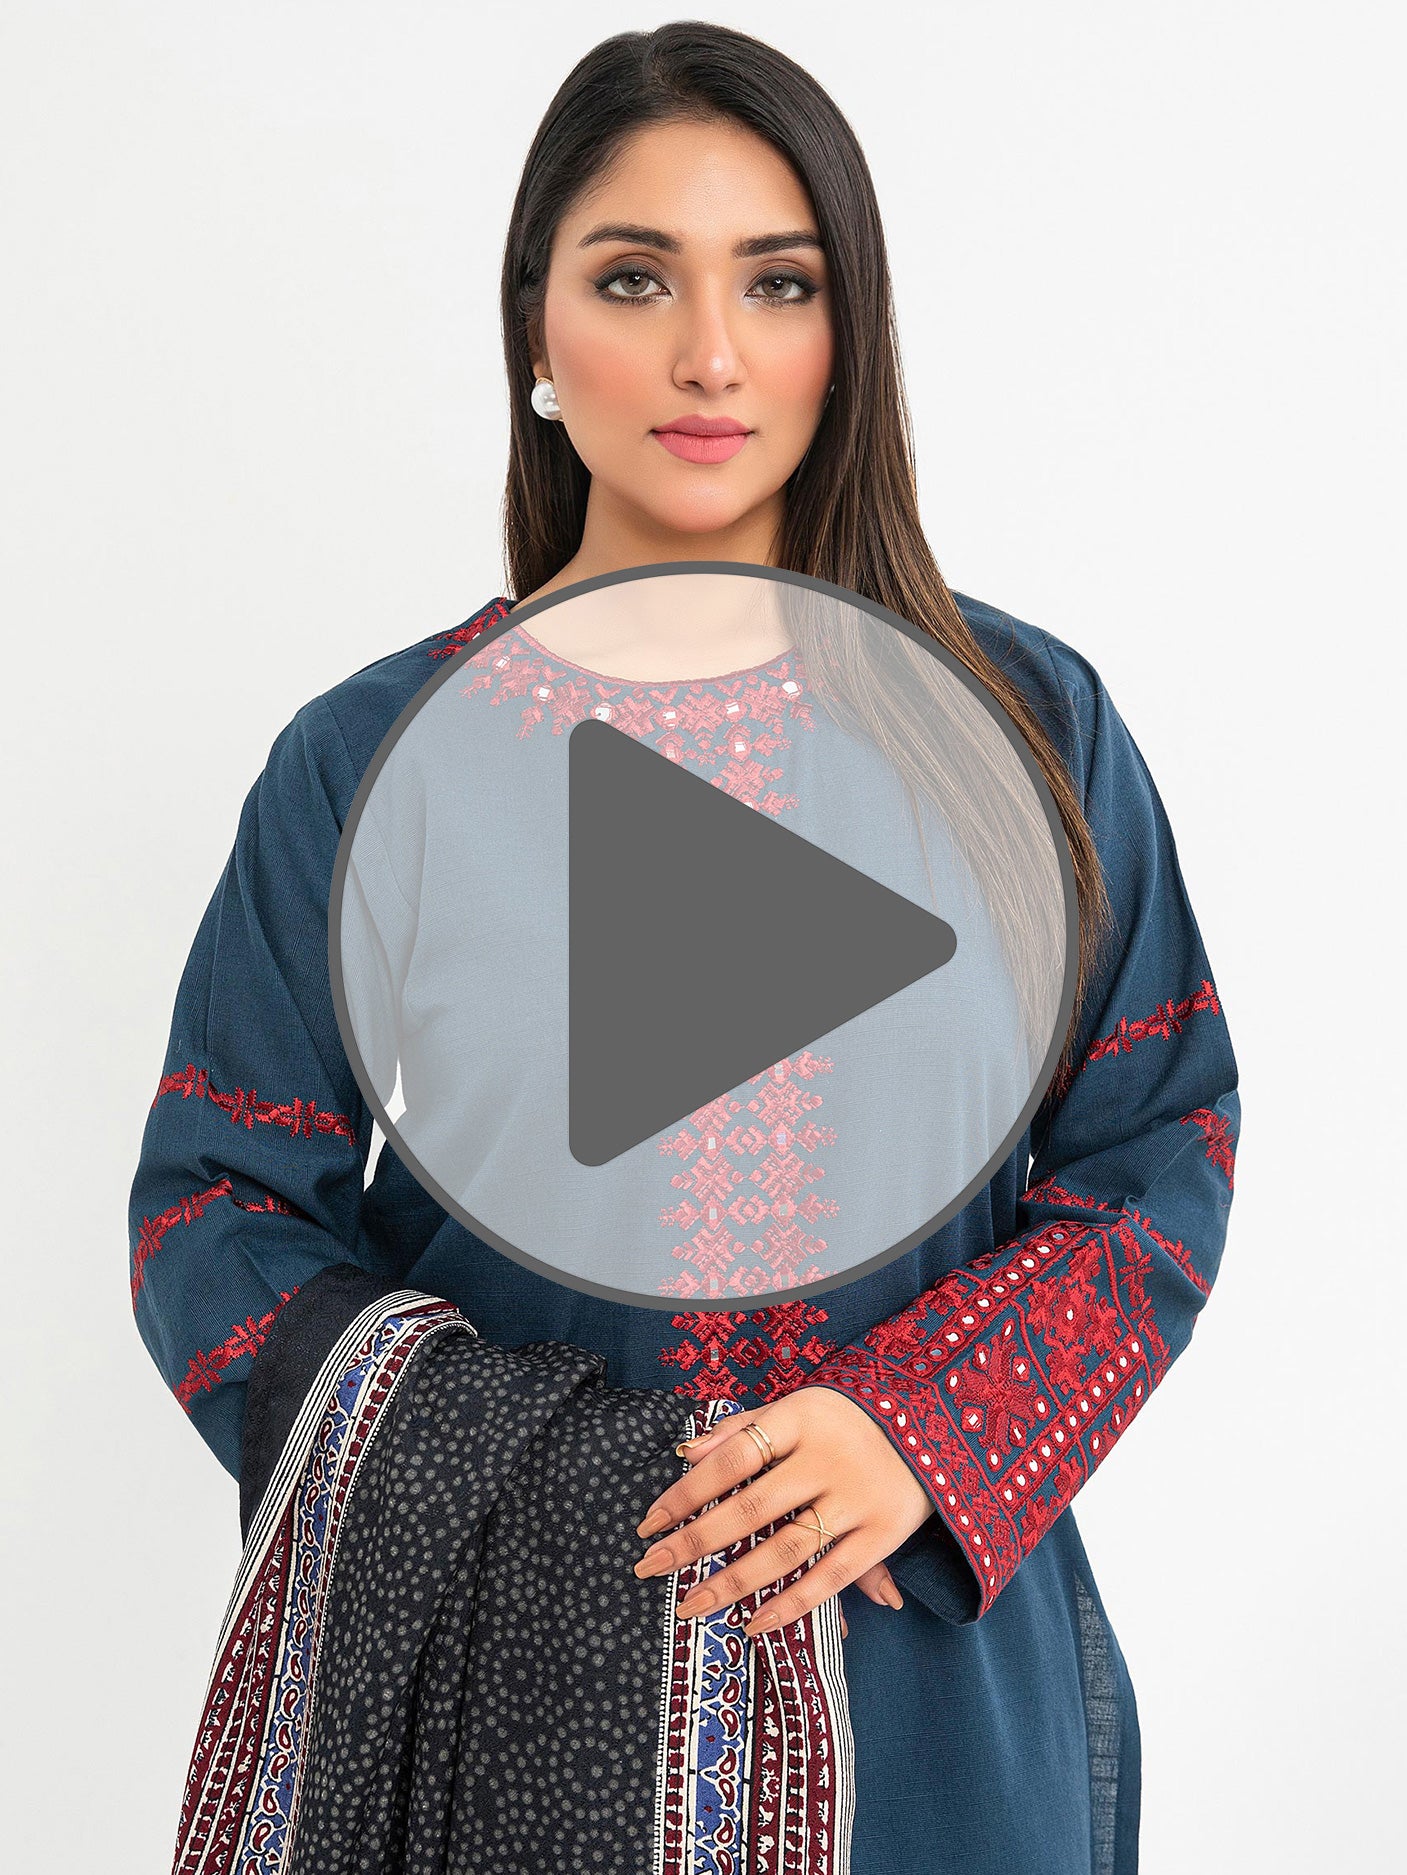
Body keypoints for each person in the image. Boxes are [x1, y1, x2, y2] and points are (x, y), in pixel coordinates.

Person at [128, 23, 1241, 1875]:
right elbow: (214, 1209)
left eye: (778, 284)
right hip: (516, 1715)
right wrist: (539, 1485)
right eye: (635, 278)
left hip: (937, 1693)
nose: (710, 353)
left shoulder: (1024, 724)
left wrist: (923, 1429)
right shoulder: (373, 764)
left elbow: (1161, 1146)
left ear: (848, 333)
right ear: (536, 329)